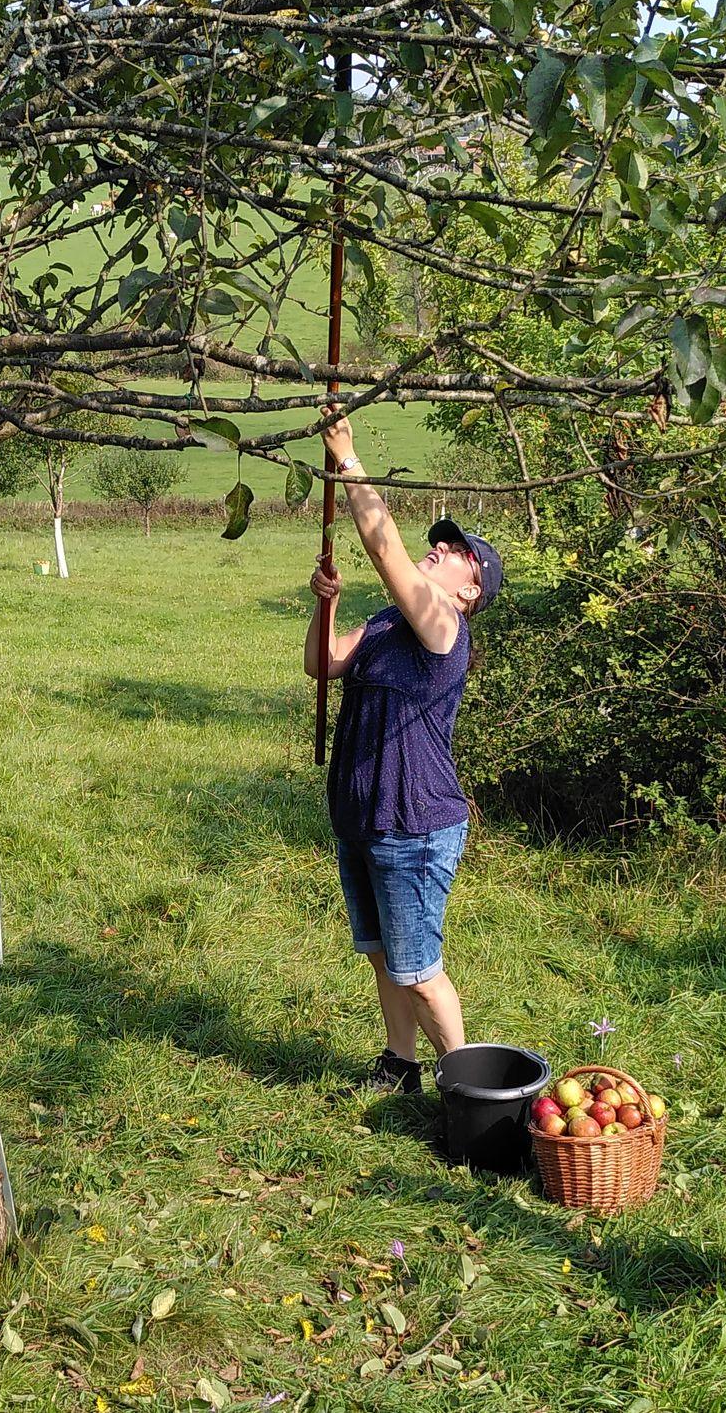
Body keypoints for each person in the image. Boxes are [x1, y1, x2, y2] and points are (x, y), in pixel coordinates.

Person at [304, 409, 502, 1094]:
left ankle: (475, 1088)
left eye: (457, 553)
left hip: (415, 823)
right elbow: (324, 663)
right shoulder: (391, 621)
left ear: (470, 590)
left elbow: (385, 551)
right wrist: (324, 605)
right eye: (439, 544)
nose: (439, 549)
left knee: (419, 968)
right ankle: (399, 1064)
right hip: (364, 817)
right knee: (384, 955)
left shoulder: (444, 626)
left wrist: (348, 460)